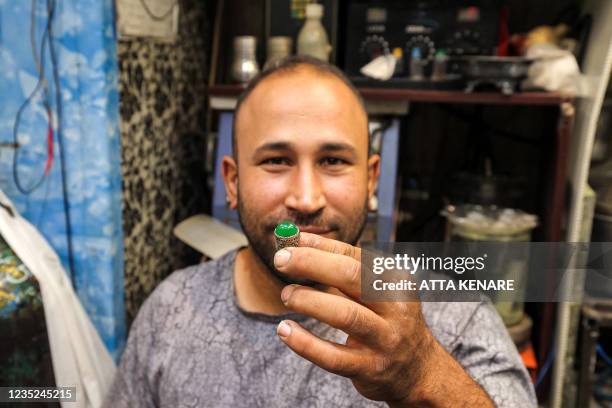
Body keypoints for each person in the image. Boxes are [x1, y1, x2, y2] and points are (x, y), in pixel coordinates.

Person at [105, 56, 536, 407]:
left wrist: (424, 375)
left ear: (371, 182)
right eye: (276, 160)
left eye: (333, 161)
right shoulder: (171, 312)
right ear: (232, 184)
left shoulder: (456, 316)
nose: (307, 199)